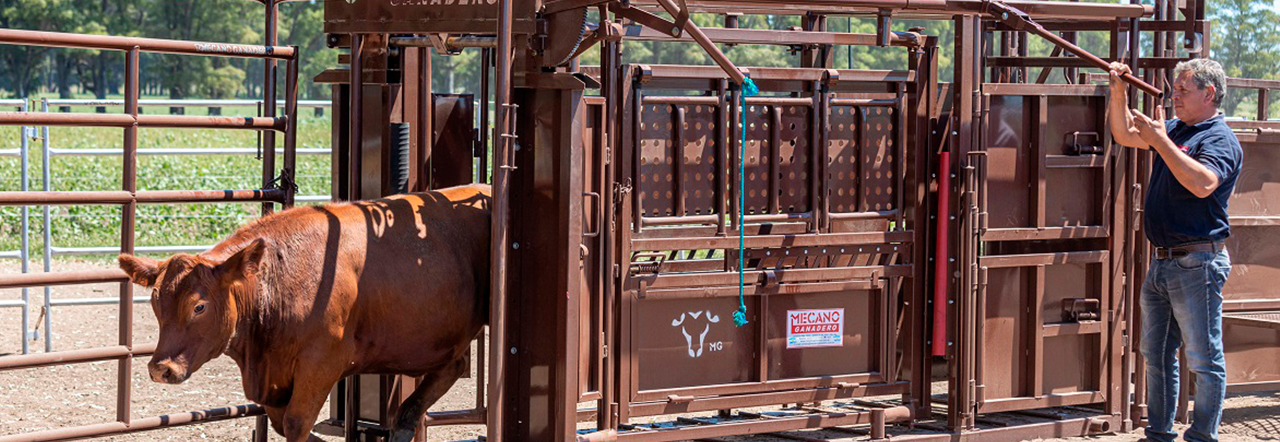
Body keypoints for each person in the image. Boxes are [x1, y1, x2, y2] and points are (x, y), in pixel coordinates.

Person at [1107, 58, 1243, 442]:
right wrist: (1118, 92)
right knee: (1156, 353)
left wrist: (1162, 140)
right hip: (1165, 260)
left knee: (1203, 358)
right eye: (1175, 88)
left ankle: (1201, 436)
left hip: (1198, 261)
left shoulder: (1218, 139)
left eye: (1183, 89)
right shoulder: (1178, 129)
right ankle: (1159, 433)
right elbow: (1123, 134)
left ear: (1209, 93)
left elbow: (1202, 184)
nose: (1174, 95)